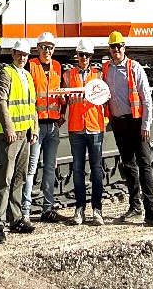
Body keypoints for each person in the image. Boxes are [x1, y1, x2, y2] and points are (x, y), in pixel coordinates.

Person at [102, 30, 153, 227]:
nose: (116, 49)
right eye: (113, 46)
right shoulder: (106, 69)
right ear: (109, 49)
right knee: (129, 165)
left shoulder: (134, 68)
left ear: (124, 47)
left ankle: (151, 211)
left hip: (136, 123)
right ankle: (135, 207)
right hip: (119, 123)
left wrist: (146, 124)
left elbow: (146, 98)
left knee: (144, 165)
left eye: (119, 46)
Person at [0, 39, 38, 242]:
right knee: (6, 178)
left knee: (20, 177)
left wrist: (34, 129)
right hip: (12, 135)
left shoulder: (27, 76)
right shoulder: (6, 73)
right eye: (19, 54)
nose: (22, 57)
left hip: (25, 134)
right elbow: (0, 102)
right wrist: (8, 128)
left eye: (25, 55)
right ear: (13, 54)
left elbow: (32, 104)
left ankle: (16, 219)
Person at [62, 36, 107, 225]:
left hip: (95, 127)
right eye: (82, 54)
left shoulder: (98, 75)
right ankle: (79, 209)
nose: (84, 58)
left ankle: (97, 210)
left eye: (87, 55)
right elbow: (63, 100)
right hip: (76, 128)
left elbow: (106, 98)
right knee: (78, 170)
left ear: (91, 56)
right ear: (77, 55)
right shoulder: (68, 75)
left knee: (96, 169)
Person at [25, 31, 66, 222]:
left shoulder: (57, 66)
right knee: (31, 168)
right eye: (43, 47)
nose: (47, 51)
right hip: (37, 126)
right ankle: (25, 211)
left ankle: (47, 209)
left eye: (50, 47)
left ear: (53, 49)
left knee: (50, 168)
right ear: (37, 48)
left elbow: (60, 93)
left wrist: (62, 110)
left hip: (53, 125)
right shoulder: (31, 65)